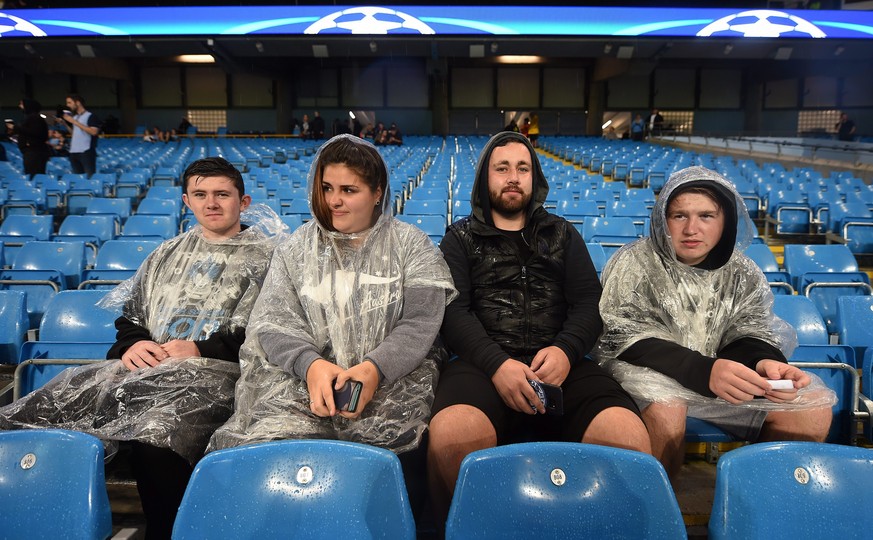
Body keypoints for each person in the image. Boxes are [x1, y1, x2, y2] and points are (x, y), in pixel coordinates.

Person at [0, 156, 284, 539]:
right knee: (36, 408)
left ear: (243, 202)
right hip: (148, 371)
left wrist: (203, 350)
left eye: (222, 194)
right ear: (187, 201)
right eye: (200, 194)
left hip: (221, 379)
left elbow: (272, 331)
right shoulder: (166, 254)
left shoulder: (268, 258)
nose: (211, 203)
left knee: (156, 438)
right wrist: (133, 345)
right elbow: (131, 318)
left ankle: (168, 532)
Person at [208, 134, 457, 515]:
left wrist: (375, 368)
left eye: (348, 190)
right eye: (326, 188)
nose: (334, 201)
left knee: (382, 479)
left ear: (377, 193)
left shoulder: (411, 245)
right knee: (282, 471)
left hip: (392, 381)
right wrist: (312, 365)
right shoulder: (297, 248)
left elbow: (421, 322)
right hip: (303, 382)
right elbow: (273, 323)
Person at [427, 132, 651, 523]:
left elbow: (589, 305)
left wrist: (566, 349)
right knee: (450, 436)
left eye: (522, 168)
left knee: (629, 437)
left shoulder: (563, 234)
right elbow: (454, 313)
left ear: (534, 178)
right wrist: (497, 364)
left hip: (562, 364)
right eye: (502, 169)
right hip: (482, 365)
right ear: (486, 179)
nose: (513, 177)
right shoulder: (458, 239)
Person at [596, 166, 834, 479]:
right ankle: (655, 514)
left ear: (726, 222)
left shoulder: (742, 272)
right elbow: (621, 335)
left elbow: (749, 330)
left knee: (812, 407)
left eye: (706, 216)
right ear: (662, 219)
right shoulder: (634, 262)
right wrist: (703, 369)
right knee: (667, 407)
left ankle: (756, 506)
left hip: (717, 376)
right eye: (680, 215)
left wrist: (764, 362)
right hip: (648, 376)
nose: (691, 228)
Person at [63, 94, 101, 177]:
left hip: (86, 151)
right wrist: (65, 124)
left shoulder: (91, 116)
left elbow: (94, 132)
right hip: (74, 152)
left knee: (89, 177)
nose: (67, 105)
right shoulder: (75, 117)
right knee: (78, 178)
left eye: (69, 102)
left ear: (78, 103)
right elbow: (75, 134)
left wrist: (74, 122)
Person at [15, 98, 49, 178]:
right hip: (31, 151)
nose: (20, 106)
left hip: (35, 152)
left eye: (22, 104)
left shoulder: (35, 118)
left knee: (35, 176)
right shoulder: (28, 118)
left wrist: (17, 128)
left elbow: (36, 132)